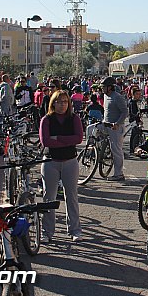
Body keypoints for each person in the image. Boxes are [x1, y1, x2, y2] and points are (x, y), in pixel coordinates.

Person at [39, 90, 84, 243]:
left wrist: (57, 138)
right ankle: (47, 232)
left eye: (65, 102)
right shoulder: (46, 120)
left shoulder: (74, 119)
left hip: (70, 161)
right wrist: (67, 140)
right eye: (59, 102)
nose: (62, 105)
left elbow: (78, 138)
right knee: (48, 198)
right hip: (51, 162)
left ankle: (75, 229)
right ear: (53, 103)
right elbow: (46, 141)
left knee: (71, 196)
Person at [102, 76, 129, 181]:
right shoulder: (105, 96)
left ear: (110, 87)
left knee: (116, 150)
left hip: (116, 127)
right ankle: (95, 152)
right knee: (91, 129)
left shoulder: (117, 97)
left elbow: (125, 112)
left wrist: (118, 123)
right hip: (106, 124)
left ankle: (119, 174)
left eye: (104, 87)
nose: (102, 89)